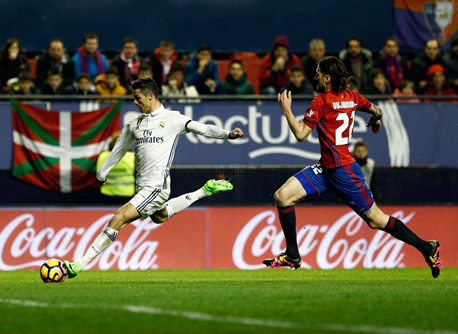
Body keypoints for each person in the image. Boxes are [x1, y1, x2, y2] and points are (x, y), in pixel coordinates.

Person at [263, 56, 441, 278]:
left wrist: (286, 110)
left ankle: (427, 247)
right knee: (283, 196)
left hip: (344, 172)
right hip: (327, 169)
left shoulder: (321, 101)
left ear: (327, 78)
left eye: (318, 73)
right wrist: (375, 120)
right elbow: (378, 110)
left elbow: (300, 134)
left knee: (376, 220)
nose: (315, 76)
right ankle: (292, 254)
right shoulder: (353, 97)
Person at [63, 78, 244, 278]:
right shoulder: (134, 124)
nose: (134, 102)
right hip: (143, 188)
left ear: (150, 96)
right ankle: (204, 190)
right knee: (159, 216)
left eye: (137, 97)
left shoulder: (173, 119)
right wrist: (101, 173)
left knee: (118, 218)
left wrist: (228, 134)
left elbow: (204, 129)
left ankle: (78, 265)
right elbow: (119, 149)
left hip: (157, 187)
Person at [96, 131, 136, 204]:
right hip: (127, 195)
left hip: (107, 195)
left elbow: (99, 177)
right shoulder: (132, 157)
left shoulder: (102, 156)